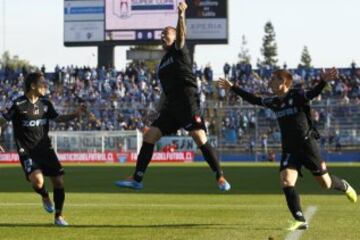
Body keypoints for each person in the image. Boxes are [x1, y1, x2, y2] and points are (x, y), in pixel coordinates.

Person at [217, 68, 357, 231]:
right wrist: (233, 87)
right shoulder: (274, 102)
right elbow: (253, 99)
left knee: (325, 184)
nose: (270, 82)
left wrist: (323, 81)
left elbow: (312, 93)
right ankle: (300, 220)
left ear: (283, 82)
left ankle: (344, 186)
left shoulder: (297, 95)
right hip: (289, 150)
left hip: (307, 147)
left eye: (273, 79)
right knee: (286, 181)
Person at [115, 1, 230, 192]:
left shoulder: (179, 50)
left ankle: (219, 176)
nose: (162, 36)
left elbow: (182, 33)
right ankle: (137, 178)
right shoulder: (162, 64)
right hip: (171, 107)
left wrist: (181, 15)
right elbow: (165, 92)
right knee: (150, 136)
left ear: (175, 36)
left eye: (165, 33)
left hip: (187, 101)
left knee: (198, 136)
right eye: (161, 34)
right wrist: (156, 111)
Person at [0, 72, 87, 226]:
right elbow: (2, 121)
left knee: (59, 182)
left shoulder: (46, 103)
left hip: (45, 149)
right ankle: (45, 196)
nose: (46, 86)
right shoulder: (18, 104)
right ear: (33, 86)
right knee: (38, 181)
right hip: (27, 151)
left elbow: (58, 118)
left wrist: (75, 114)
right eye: (42, 83)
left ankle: (58, 217)